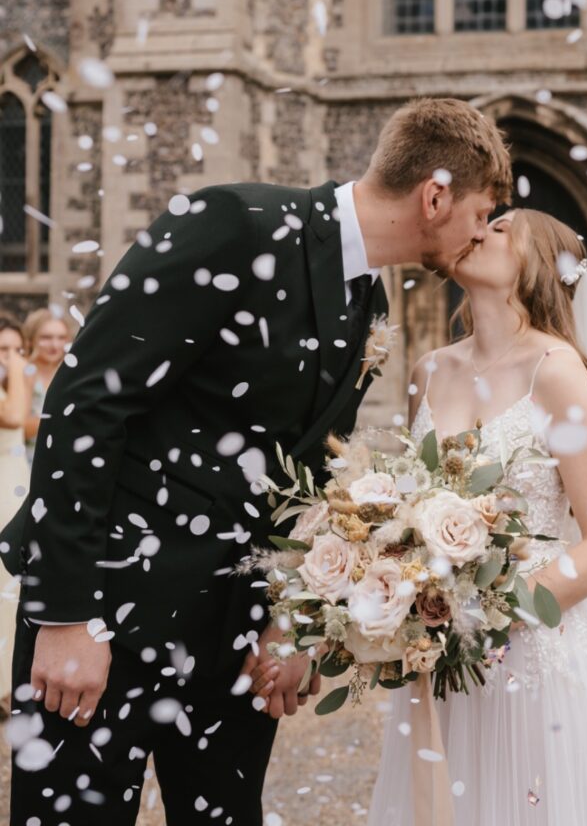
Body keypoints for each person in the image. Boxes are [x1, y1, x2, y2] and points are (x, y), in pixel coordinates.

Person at [0, 97, 512, 826]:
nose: (480, 234)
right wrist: (65, 616)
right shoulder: (234, 225)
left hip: (231, 639)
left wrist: (287, 622)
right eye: (481, 212)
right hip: (108, 612)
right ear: (435, 195)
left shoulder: (367, 303)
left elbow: (301, 484)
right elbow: (86, 402)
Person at [355, 209, 587, 825]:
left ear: (536, 266)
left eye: (500, 228)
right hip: (439, 658)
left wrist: (490, 611)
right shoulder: (428, 370)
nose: (479, 229)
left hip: (534, 653)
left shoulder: (558, 371)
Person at [0, 314, 31, 718]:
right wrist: (20, 371)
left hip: (16, 482)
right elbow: (15, 416)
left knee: (10, 593)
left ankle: (7, 683)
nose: (10, 358)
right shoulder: (12, 386)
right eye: (2, 350)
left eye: (18, 349)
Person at [21, 309, 71, 462]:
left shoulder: (71, 373)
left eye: (61, 337)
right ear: (30, 339)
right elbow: (20, 428)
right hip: (28, 459)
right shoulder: (23, 371)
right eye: (46, 337)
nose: (55, 345)